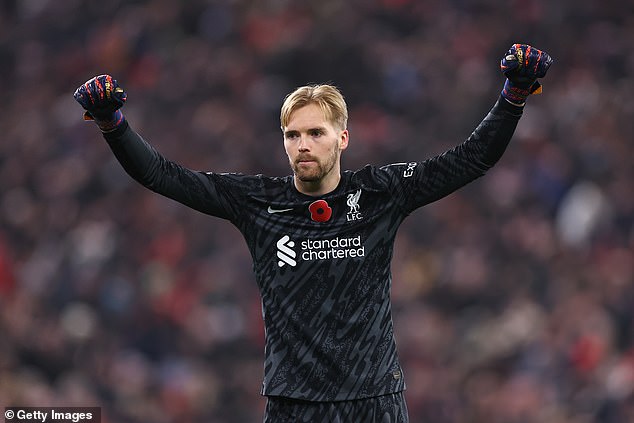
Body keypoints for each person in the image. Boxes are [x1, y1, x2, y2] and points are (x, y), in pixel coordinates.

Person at [74, 43, 552, 423]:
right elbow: (162, 175)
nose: (303, 145)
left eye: (316, 133)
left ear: (342, 137)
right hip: (294, 404)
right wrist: (112, 125)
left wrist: (512, 98)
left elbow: (471, 159)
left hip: (374, 399)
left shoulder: (382, 193)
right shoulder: (258, 201)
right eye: (292, 135)